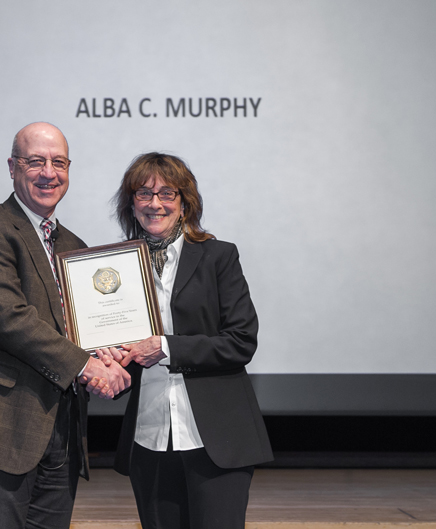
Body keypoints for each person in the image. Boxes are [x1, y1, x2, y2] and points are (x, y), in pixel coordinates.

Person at [0, 122, 131, 529]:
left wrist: (107, 351)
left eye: (58, 163)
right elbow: (9, 319)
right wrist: (87, 365)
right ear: (12, 167)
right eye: (35, 162)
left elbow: (80, 331)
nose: (49, 173)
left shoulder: (74, 248)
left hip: (62, 433)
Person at [100, 152, 273, 529]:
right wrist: (107, 360)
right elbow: (115, 343)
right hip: (149, 439)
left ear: (185, 203)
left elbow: (241, 341)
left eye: (167, 193)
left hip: (216, 439)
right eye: (143, 193)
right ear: (131, 204)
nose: (155, 203)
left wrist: (164, 347)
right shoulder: (116, 268)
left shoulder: (217, 256)